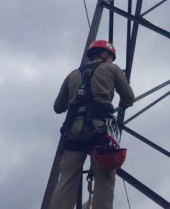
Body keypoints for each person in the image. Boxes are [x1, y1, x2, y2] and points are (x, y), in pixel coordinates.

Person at [50, 40, 136, 209]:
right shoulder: (112, 69)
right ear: (104, 55)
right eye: (110, 57)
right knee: (105, 177)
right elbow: (129, 98)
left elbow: (58, 107)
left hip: (72, 132)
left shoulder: (72, 75)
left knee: (67, 179)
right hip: (99, 131)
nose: (111, 61)